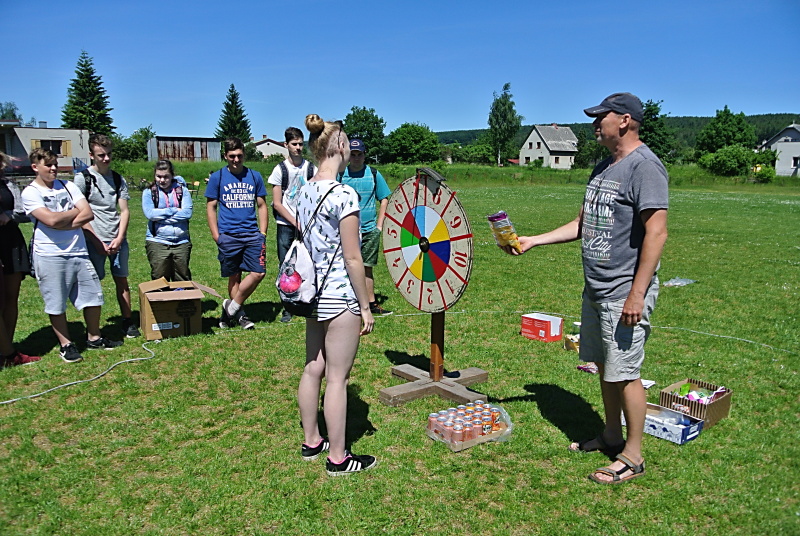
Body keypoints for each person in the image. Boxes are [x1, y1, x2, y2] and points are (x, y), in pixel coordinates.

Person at [501, 93, 668, 484]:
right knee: (605, 366)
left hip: (624, 291)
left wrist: (637, 293)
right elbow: (582, 224)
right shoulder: (603, 167)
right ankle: (611, 435)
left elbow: (657, 233)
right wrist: (533, 240)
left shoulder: (645, 167)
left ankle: (633, 456)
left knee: (626, 373)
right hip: (596, 289)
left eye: (600, 117)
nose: (595, 124)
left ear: (624, 120)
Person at [296, 114, 376, 476]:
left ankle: (312, 440)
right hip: (340, 295)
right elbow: (353, 257)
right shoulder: (344, 194)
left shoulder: (303, 190)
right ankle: (339, 458)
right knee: (338, 378)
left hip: (310, 293)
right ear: (340, 146)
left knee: (313, 367)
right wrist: (366, 306)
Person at [22, 148, 123, 363]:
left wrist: (62, 221)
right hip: (49, 254)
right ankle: (66, 345)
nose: (53, 169)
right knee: (56, 301)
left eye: (55, 164)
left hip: (78, 251)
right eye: (48, 165)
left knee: (93, 296)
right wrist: (72, 215)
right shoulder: (30, 192)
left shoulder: (68, 186)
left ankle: (94, 337)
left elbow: (88, 213)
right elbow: (50, 220)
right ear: (35, 167)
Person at [74, 134, 140, 338]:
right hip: (93, 240)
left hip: (117, 239)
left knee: (122, 281)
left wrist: (119, 238)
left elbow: (124, 211)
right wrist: (96, 241)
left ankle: (127, 321)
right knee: (93, 284)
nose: (106, 159)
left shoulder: (118, 179)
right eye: (101, 155)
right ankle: (94, 329)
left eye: (109, 154)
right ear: (91, 155)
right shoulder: (82, 179)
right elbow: (79, 214)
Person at [205, 137, 268, 330]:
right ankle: (241, 316)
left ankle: (230, 307)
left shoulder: (254, 176)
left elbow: (262, 205)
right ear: (225, 156)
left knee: (258, 272)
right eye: (232, 156)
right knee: (234, 276)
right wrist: (216, 235)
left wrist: (263, 233)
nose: (236, 160)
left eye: (239, 155)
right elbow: (211, 207)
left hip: (252, 235)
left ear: (244, 155)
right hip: (228, 235)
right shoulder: (217, 177)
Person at [338, 139, 393, 315]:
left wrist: (379, 226)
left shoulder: (374, 174)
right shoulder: (340, 174)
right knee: (346, 265)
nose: (356, 158)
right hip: (346, 230)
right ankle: (347, 301)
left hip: (369, 230)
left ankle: (371, 303)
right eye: (352, 154)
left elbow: (384, 199)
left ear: (364, 155)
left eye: (359, 154)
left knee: (367, 266)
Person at [267, 127, 315, 323]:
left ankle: (308, 300)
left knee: (309, 263)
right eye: (294, 144)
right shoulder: (280, 170)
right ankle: (288, 306)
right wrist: (295, 222)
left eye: (300, 144)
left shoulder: (311, 168)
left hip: (307, 224)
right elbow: (277, 203)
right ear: (286, 145)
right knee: (287, 265)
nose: (298, 148)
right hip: (285, 225)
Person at [0, 152, 41, 367]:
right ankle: (8, 352)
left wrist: (9, 215)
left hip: (10, 242)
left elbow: (25, 211)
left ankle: (7, 350)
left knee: (11, 298)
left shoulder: (8, 183)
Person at [142, 160, 193, 281]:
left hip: (181, 241)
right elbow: (150, 214)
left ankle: (181, 294)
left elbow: (187, 213)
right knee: (160, 279)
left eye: (166, 177)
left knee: (182, 278)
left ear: (172, 176)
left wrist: (160, 217)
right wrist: (173, 210)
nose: (162, 180)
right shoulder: (149, 192)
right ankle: (162, 295)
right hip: (157, 240)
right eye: (158, 176)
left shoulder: (182, 191)